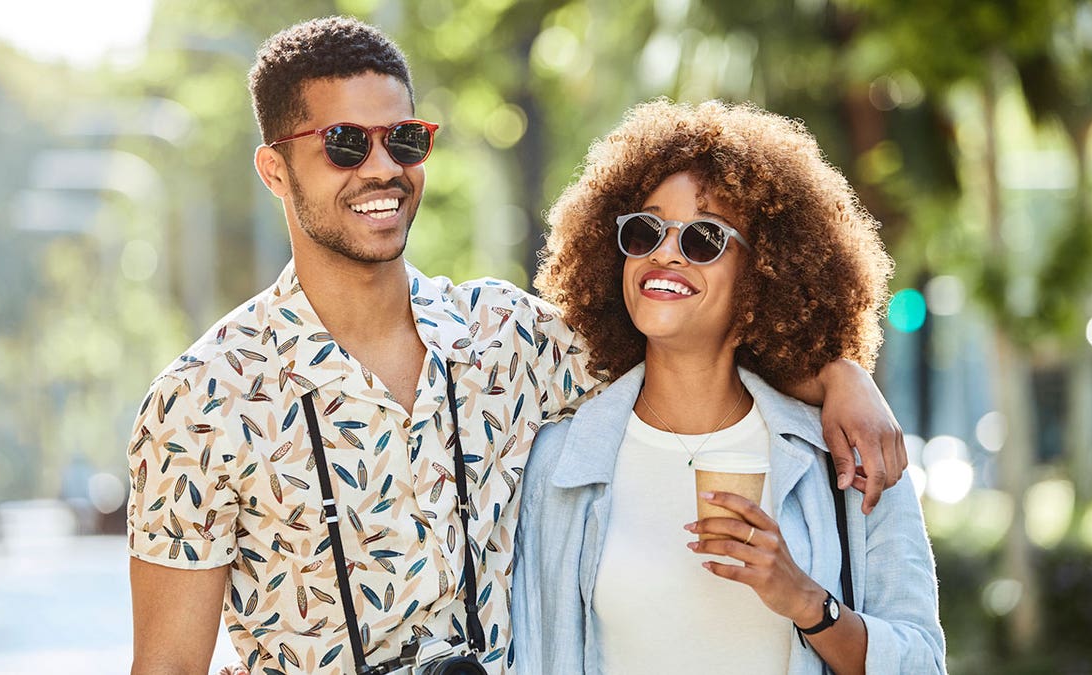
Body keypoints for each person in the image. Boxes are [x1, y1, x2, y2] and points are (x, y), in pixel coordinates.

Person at [127, 17, 908, 675]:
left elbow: (694, 340)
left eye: (404, 139)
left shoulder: (510, 338)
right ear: (274, 168)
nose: (383, 169)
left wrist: (842, 371)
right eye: (343, 144)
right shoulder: (200, 402)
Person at [512, 100, 945, 674]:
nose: (665, 252)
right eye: (646, 231)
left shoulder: (846, 451)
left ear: (765, 274)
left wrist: (805, 601)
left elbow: (922, 662)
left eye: (703, 239)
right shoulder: (559, 463)